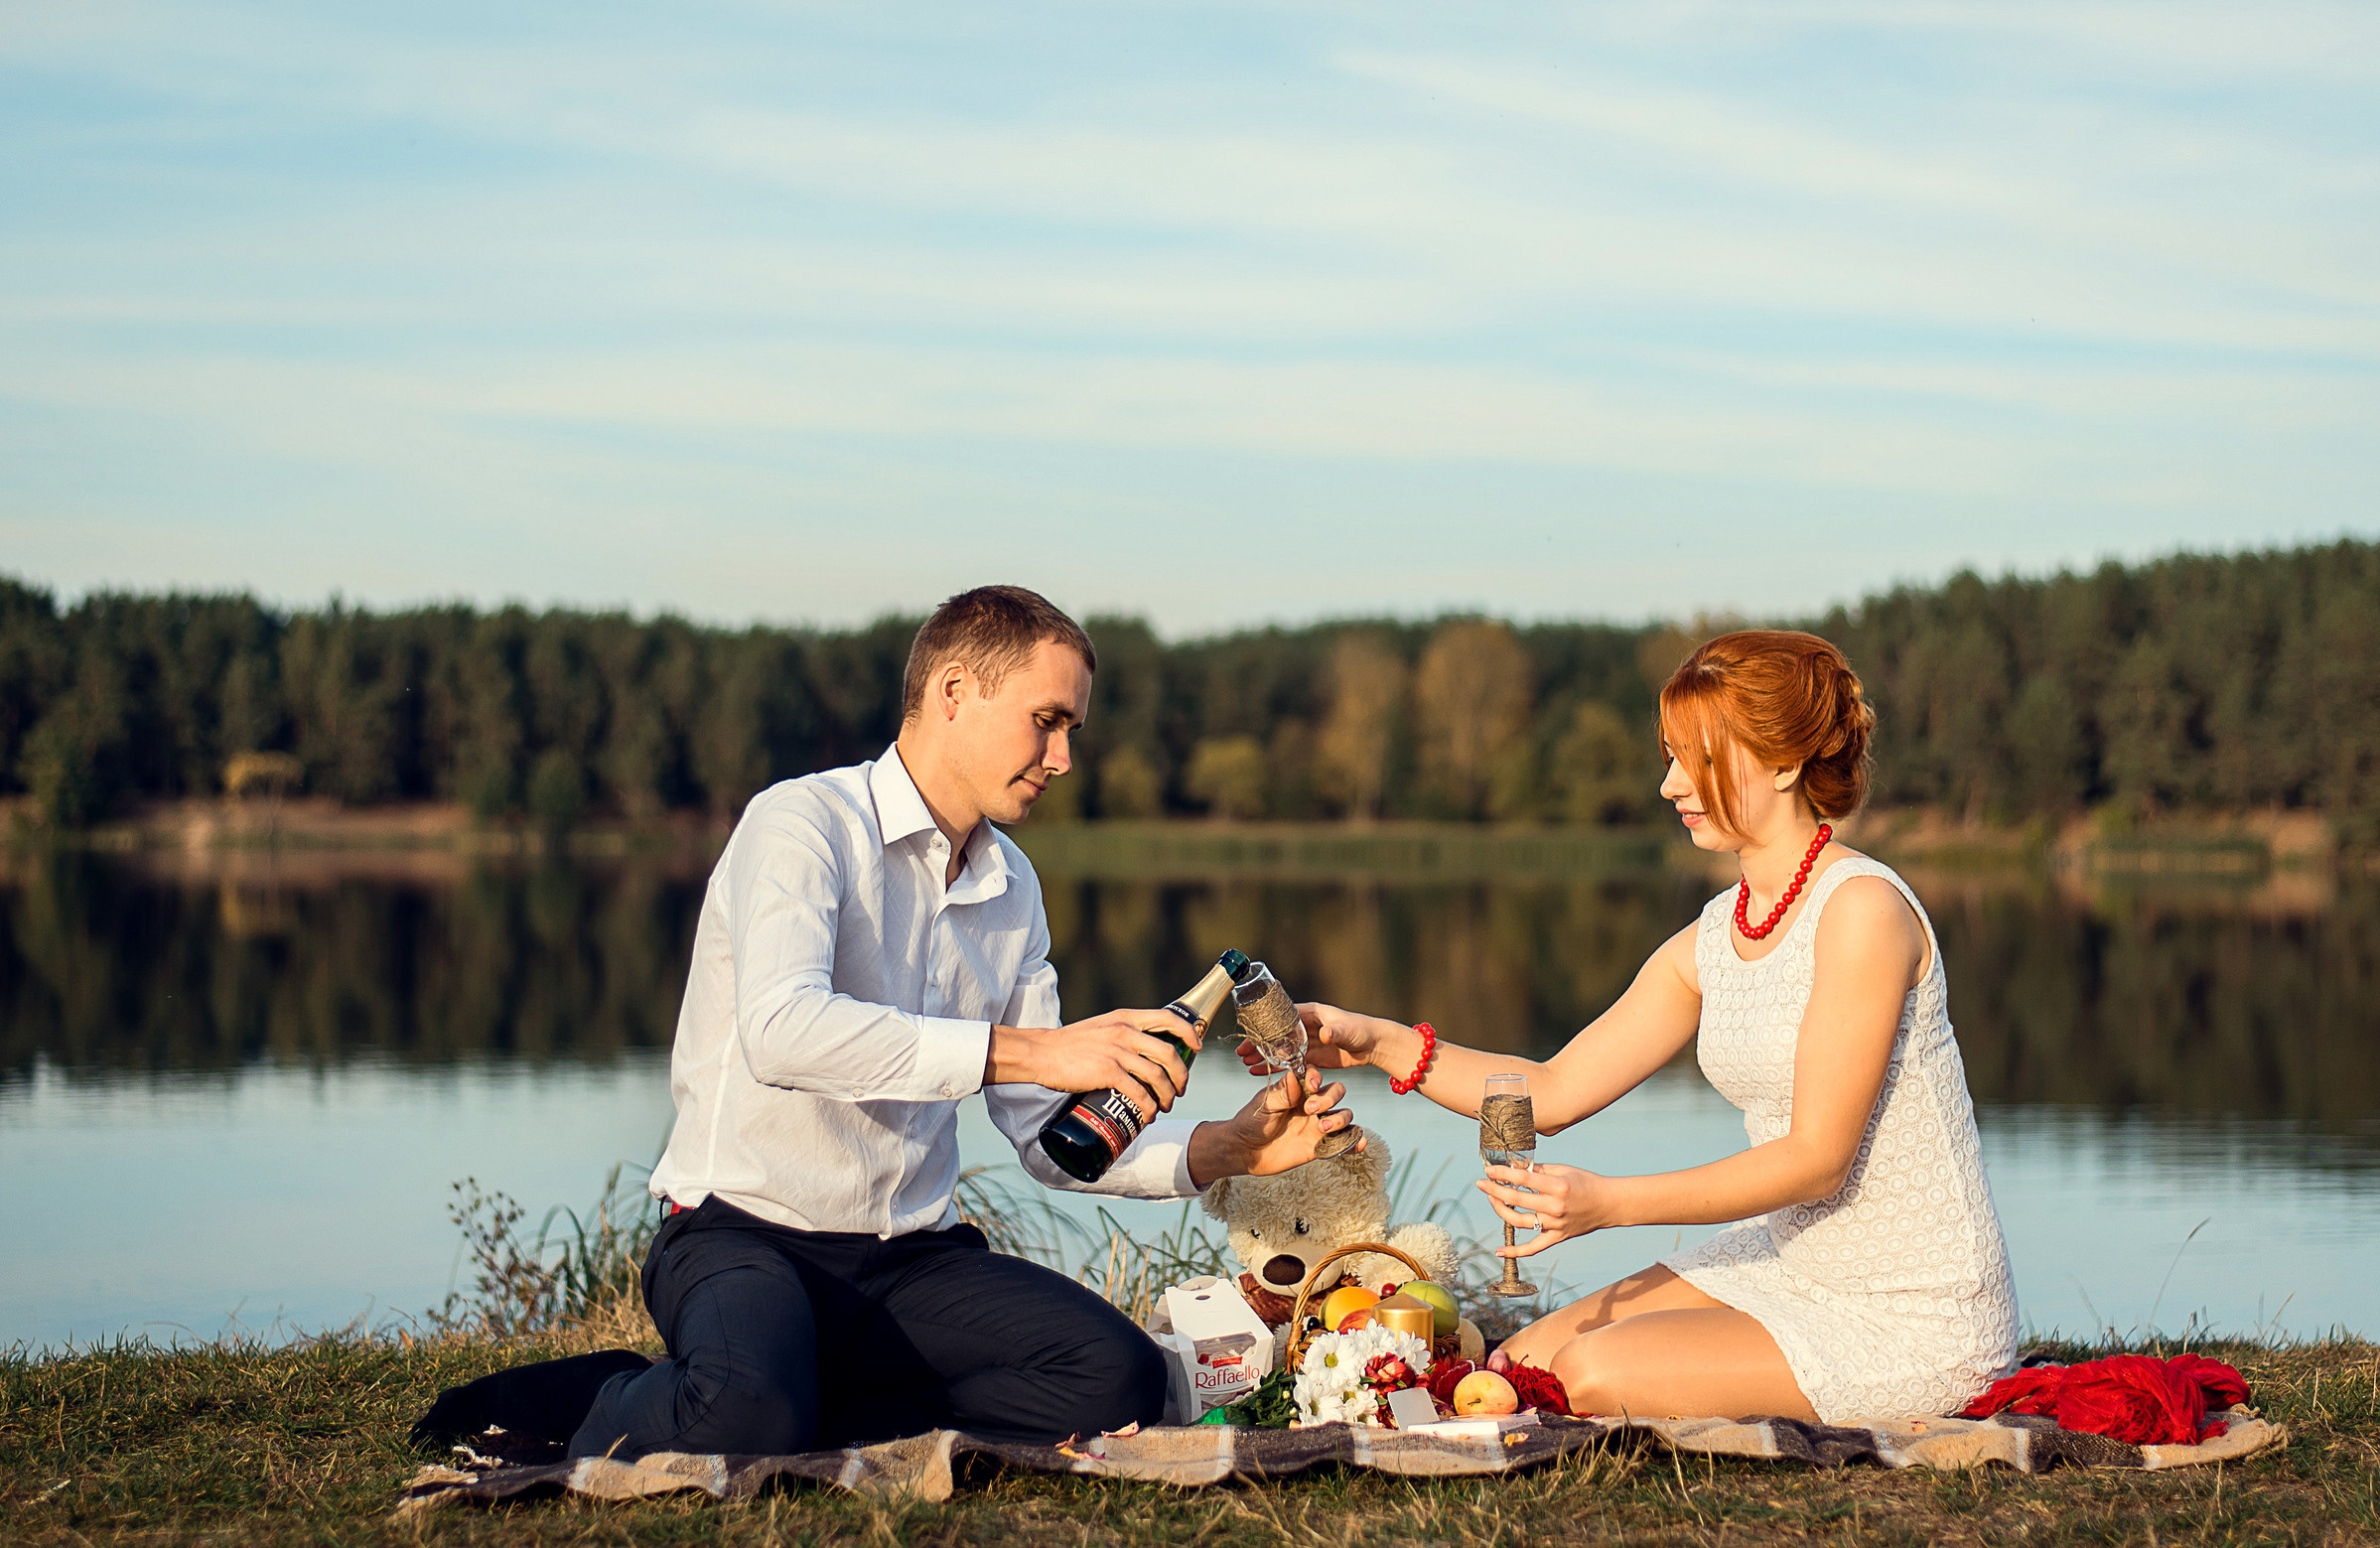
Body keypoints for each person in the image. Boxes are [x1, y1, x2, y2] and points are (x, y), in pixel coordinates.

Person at [570, 586, 1353, 1458]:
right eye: (1046, 721)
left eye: (1072, 732)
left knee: (1116, 1380)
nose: (1062, 758)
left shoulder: (1013, 887)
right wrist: (1033, 1051)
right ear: (953, 693)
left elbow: (1049, 1140)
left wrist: (1224, 1152)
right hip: (740, 1233)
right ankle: (612, 1400)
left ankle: (797, 1399)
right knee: (743, 1413)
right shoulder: (802, 823)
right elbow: (781, 1029)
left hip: (911, 1261)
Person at [1245, 631, 2017, 1424]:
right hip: (1792, 1262)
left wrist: (1610, 1203)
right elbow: (1551, 1090)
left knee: (1590, 1372)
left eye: (1698, 759)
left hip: (1914, 1313)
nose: (1669, 784)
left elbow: (1817, 1160)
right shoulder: (1716, 936)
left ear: (1785, 764)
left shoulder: (1862, 910)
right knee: (1521, 1361)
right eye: (1669, 755)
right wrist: (1376, 1041)